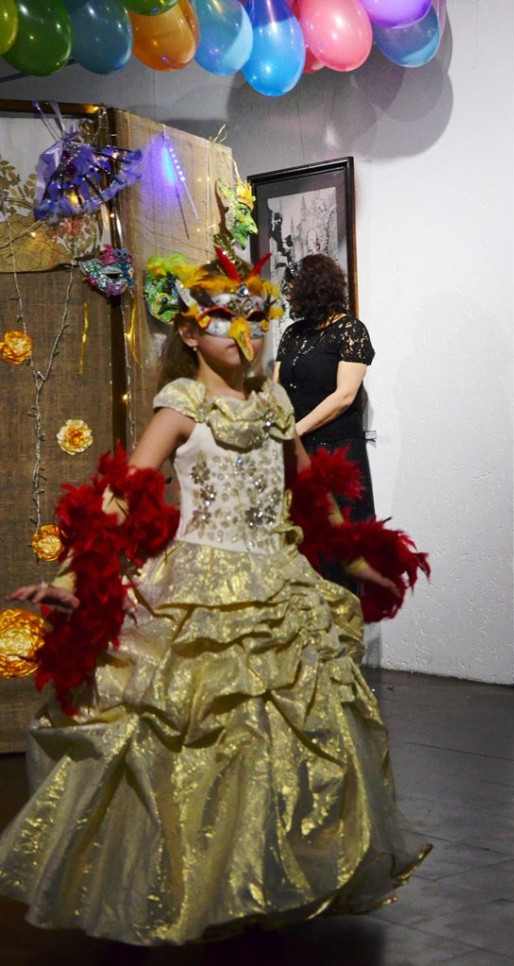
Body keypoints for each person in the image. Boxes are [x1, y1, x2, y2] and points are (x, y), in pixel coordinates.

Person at [0, 252, 430, 947]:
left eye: (255, 317)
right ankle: (195, 882)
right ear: (191, 333)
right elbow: (122, 497)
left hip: (279, 583)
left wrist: (356, 556)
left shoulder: (277, 405)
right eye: (226, 318)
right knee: (197, 734)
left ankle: (271, 874)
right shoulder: (180, 405)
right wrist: (75, 579)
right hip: (200, 586)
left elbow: (310, 491)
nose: (245, 331)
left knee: (290, 734)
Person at [274, 253, 376, 587]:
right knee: (301, 547)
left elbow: (344, 396)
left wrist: (295, 430)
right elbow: (276, 388)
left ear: (314, 287)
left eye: (293, 286)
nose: (288, 294)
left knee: (342, 551)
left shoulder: (350, 330)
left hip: (338, 453)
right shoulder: (292, 334)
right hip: (296, 452)